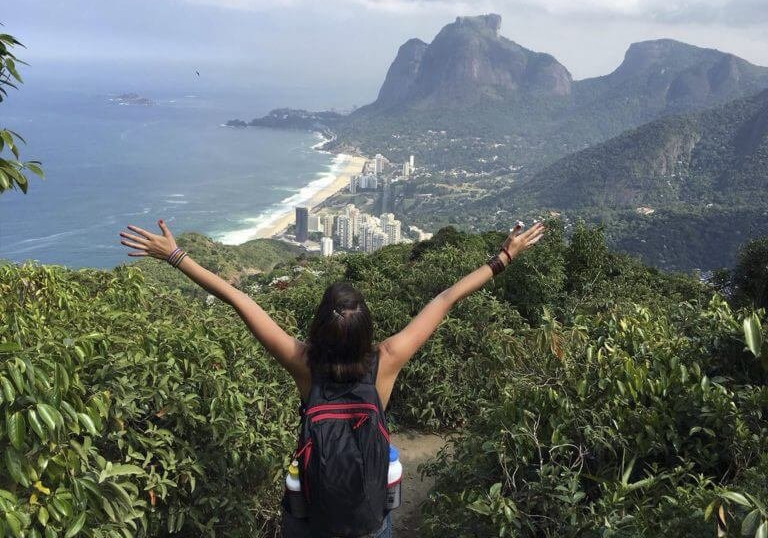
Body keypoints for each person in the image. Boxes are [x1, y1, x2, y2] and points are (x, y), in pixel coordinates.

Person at [119, 218, 546, 537]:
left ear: (319, 324)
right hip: (368, 521)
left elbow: (238, 298)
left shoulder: (303, 363)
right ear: (367, 330)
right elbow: (447, 297)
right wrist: (504, 255)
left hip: (312, 520)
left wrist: (175, 256)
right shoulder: (388, 359)